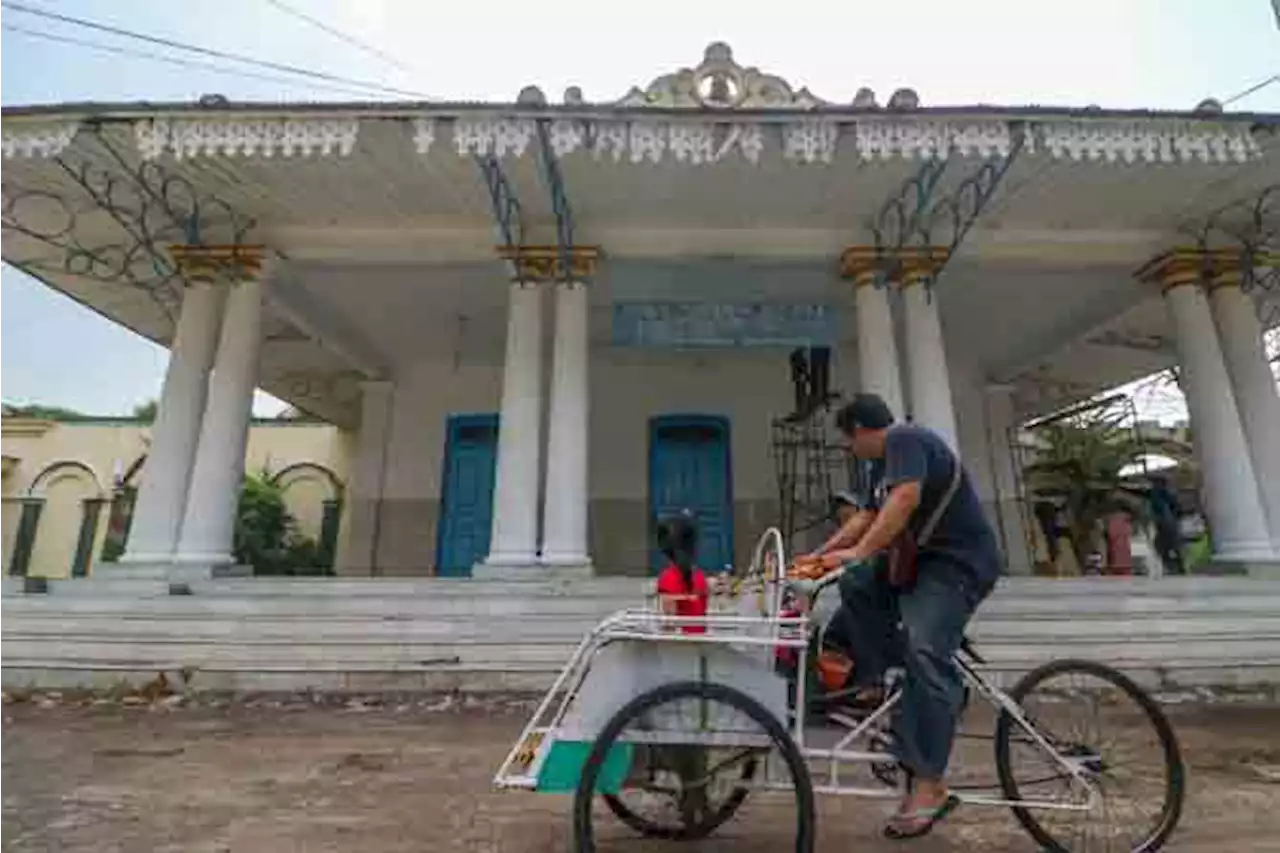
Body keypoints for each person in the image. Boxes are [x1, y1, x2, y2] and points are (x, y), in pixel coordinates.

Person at [794, 393, 1001, 840]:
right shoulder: (878, 466)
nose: (850, 450)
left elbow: (904, 500)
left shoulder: (905, 439)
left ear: (862, 432)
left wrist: (859, 554)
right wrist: (817, 557)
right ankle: (883, 678)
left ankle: (931, 784)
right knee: (856, 584)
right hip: (919, 566)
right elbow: (865, 519)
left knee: (926, 651)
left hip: (956, 565)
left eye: (849, 441)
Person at [655, 511, 709, 635]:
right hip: (700, 640)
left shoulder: (668, 578)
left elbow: (670, 625)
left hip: (681, 647)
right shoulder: (699, 575)